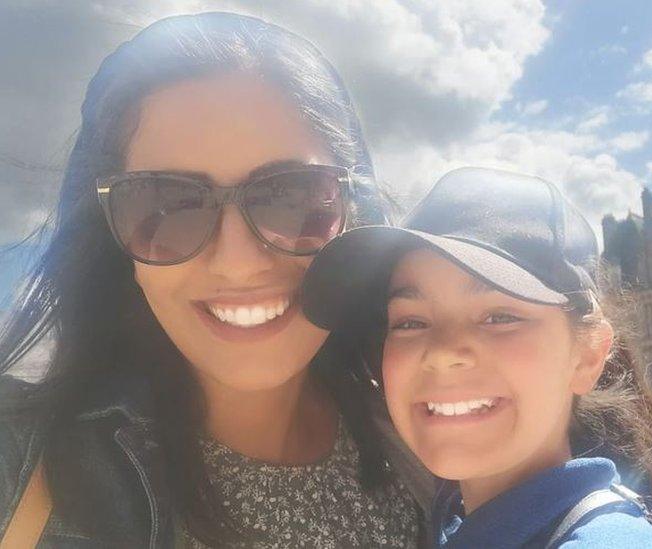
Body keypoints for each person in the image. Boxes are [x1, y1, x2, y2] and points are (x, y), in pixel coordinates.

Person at [0, 13, 425, 547]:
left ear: (353, 212)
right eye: (166, 204)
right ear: (111, 238)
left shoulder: (425, 435)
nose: (238, 262)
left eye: (292, 196)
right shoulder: (17, 458)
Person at [301, 167, 652, 548]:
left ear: (588, 354)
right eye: (411, 322)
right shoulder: (456, 518)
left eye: (499, 315)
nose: (444, 353)